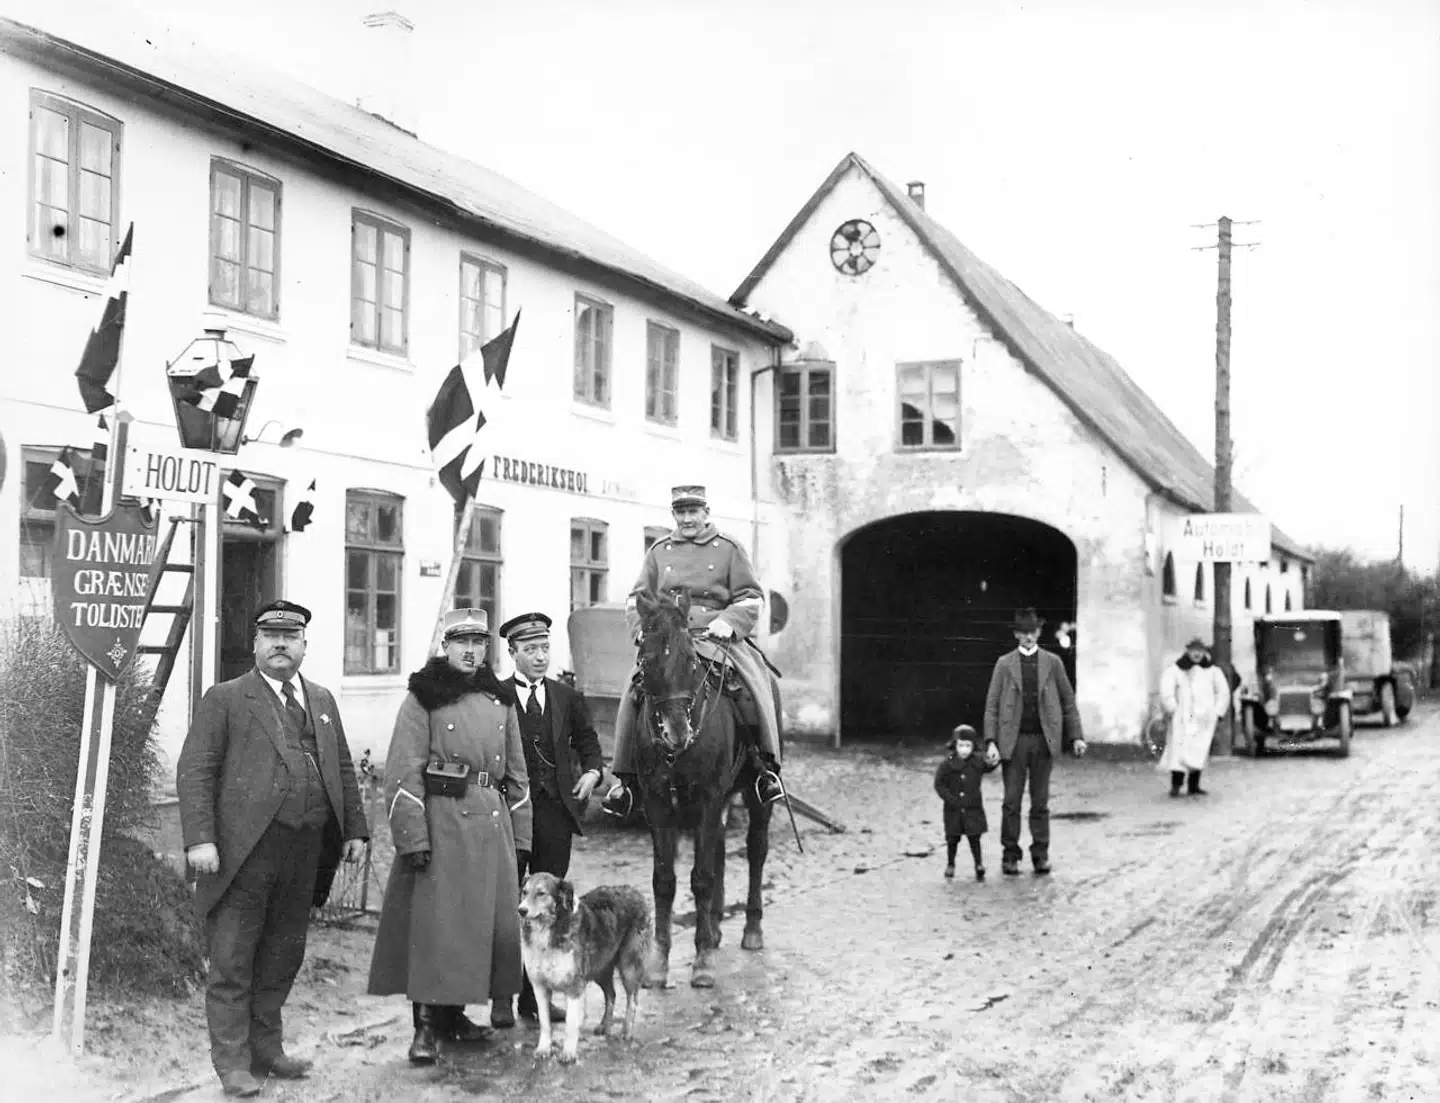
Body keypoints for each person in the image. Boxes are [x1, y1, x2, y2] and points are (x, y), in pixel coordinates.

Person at [176, 600, 369, 1098]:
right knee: (234, 958)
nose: (281, 644)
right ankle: (233, 1064)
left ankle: (268, 1049)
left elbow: (341, 767)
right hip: (244, 853)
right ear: (256, 643)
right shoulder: (226, 698)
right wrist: (200, 838)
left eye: (291, 636)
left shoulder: (322, 700)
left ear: (305, 644)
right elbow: (196, 769)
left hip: (305, 850)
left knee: (283, 954)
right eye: (270, 636)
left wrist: (354, 830)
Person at [366, 609, 532, 1063]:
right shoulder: (424, 697)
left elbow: (517, 776)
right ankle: (424, 1027)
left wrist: (521, 839)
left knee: (480, 929)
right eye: (461, 642)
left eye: (479, 642)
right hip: (441, 825)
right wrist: (412, 838)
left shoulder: (500, 700)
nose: (470, 650)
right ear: (446, 645)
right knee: (437, 928)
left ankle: (454, 1017)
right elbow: (402, 773)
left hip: (490, 826)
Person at [603, 484, 784, 817]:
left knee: (753, 684)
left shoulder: (729, 548)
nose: (687, 519)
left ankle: (765, 768)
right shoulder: (659, 550)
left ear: (705, 513)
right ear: (674, 515)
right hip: (669, 636)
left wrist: (730, 621)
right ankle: (625, 779)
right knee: (634, 689)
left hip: (715, 636)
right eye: (680, 512)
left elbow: (750, 596)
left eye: (692, 512)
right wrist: (645, 630)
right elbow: (636, 598)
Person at [495, 610, 604, 1027]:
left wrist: (592, 772)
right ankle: (504, 998)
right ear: (512, 653)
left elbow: (588, 741)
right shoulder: (498, 696)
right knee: (510, 905)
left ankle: (533, 1000)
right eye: (529, 650)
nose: (539, 657)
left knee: (548, 910)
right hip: (510, 816)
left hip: (556, 816)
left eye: (544, 648)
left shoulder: (566, 697)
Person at [982, 607, 1087, 877]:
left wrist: (1076, 736)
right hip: (1013, 742)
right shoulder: (1004, 664)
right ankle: (1010, 856)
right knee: (1011, 801)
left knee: (1040, 802)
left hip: (1043, 741)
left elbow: (1068, 701)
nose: (1028, 637)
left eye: (1032, 632)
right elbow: (992, 705)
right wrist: (992, 741)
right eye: (1023, 633)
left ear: (1039, 633)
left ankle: (1040, 854)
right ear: (1016, 634)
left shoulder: (1053, 663)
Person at [1158, 637, 1231, 797]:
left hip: (1204, 719)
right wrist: (1172, 708)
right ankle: (1176, 785)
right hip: (1182, 718)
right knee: (1179, 751)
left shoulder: (1213, 671)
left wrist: (1217, 712)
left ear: (1204, 652)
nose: (1197, 654)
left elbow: (1223, 692)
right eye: (1193, 651)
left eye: (1200, 651)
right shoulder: (1175, 670)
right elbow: (1166, 690)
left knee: (1199, 750)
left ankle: (1194, 785)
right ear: (1188, 651)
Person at [933, 724, 999, 881]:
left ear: (973, 746)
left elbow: (989, 767)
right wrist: (949, 799)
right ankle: (950, 864)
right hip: (953, 809)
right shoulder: (947, 765)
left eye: (968, 746)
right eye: (961, 745)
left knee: (974, 837)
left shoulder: (977, 762)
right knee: (952, 838)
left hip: (972, 808)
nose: (964, 750)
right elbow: (939, 784)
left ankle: (978, 864)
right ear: (954, 745)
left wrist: (995, 760)